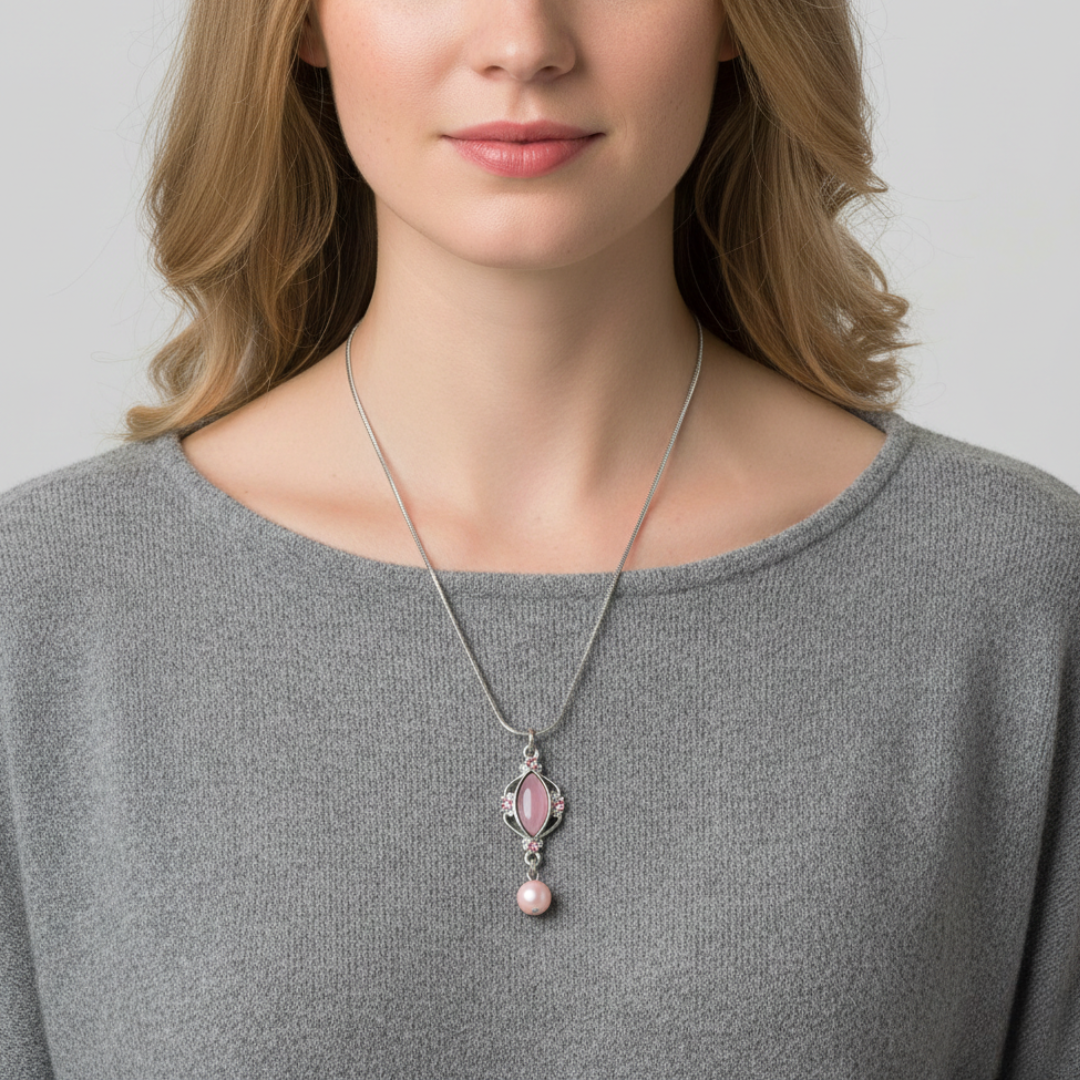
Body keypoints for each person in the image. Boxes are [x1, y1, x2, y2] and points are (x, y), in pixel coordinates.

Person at [1, 0, 1077, 1075]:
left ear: (737, 20)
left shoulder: (1012, 595)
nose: (524, 42)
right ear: (302, 22)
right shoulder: (45, 609)